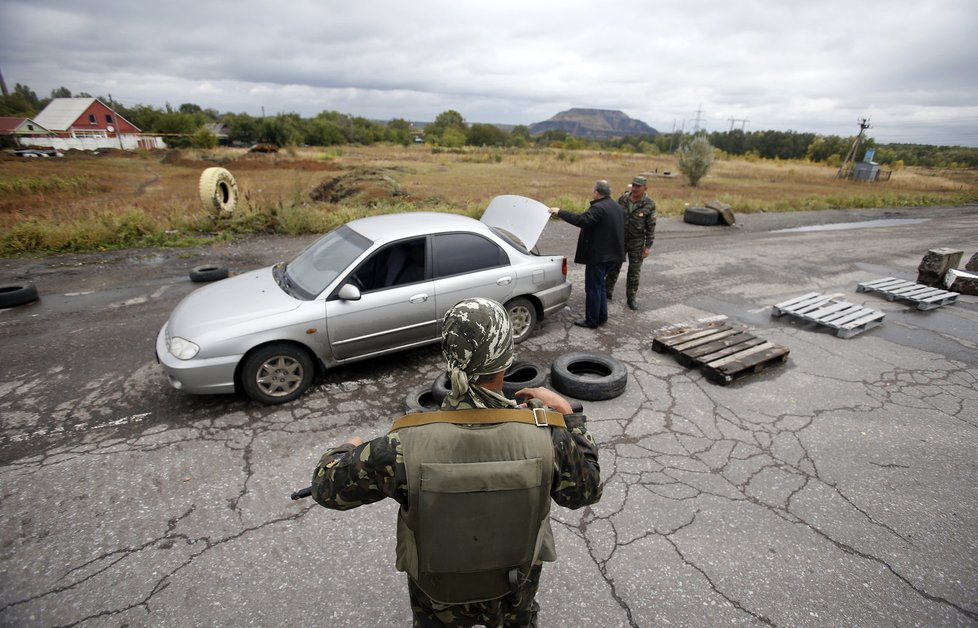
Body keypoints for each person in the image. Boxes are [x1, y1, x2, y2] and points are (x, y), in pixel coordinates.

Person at [310, 297, 602, 627]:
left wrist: (345, 449)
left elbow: (326, 489)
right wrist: (570, 419)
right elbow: (585, 493)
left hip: (438, 594)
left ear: (449, 358)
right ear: (506, 359)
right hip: (513, 588)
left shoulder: (401, 446)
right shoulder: (549, 436)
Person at [548, 180, 625, 329]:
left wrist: (560, 212)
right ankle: (601, 316)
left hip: (599, 256)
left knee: (593, 288)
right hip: (613, 255)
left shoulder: (598, 208)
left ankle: (592, 321)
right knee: (600, 286)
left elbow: (582, 220)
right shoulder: (616, 206)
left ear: (596, 192)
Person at [606, 175, 657, 310]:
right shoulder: (623, 199)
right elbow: (614, 217)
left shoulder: (649, 204)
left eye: (638, 186)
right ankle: (607, 292)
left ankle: (631, 298)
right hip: (620, 240)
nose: (634, 189)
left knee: (634, 273)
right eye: (633, 185)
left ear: (645, 188)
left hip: (637, 242)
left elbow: (651, 227)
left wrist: (647, 247)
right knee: (613, 267)